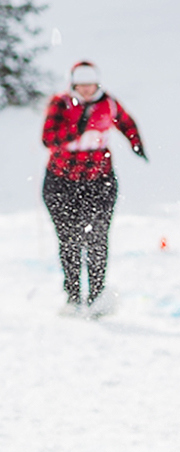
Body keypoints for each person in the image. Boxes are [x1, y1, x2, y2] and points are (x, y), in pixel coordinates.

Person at [40, 61, 146, 316]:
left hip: (99, 181)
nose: (87, 91)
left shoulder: (108, 103)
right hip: (62, 182)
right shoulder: (61, 103)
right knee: (69, 241)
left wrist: (136, 144)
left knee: (97, 238)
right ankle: (73, 295)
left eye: (91, 85)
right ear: (74, 85)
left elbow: (126, 122)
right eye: (81, 86)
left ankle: (97, 295)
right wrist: (76, 129)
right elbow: (48, 138)